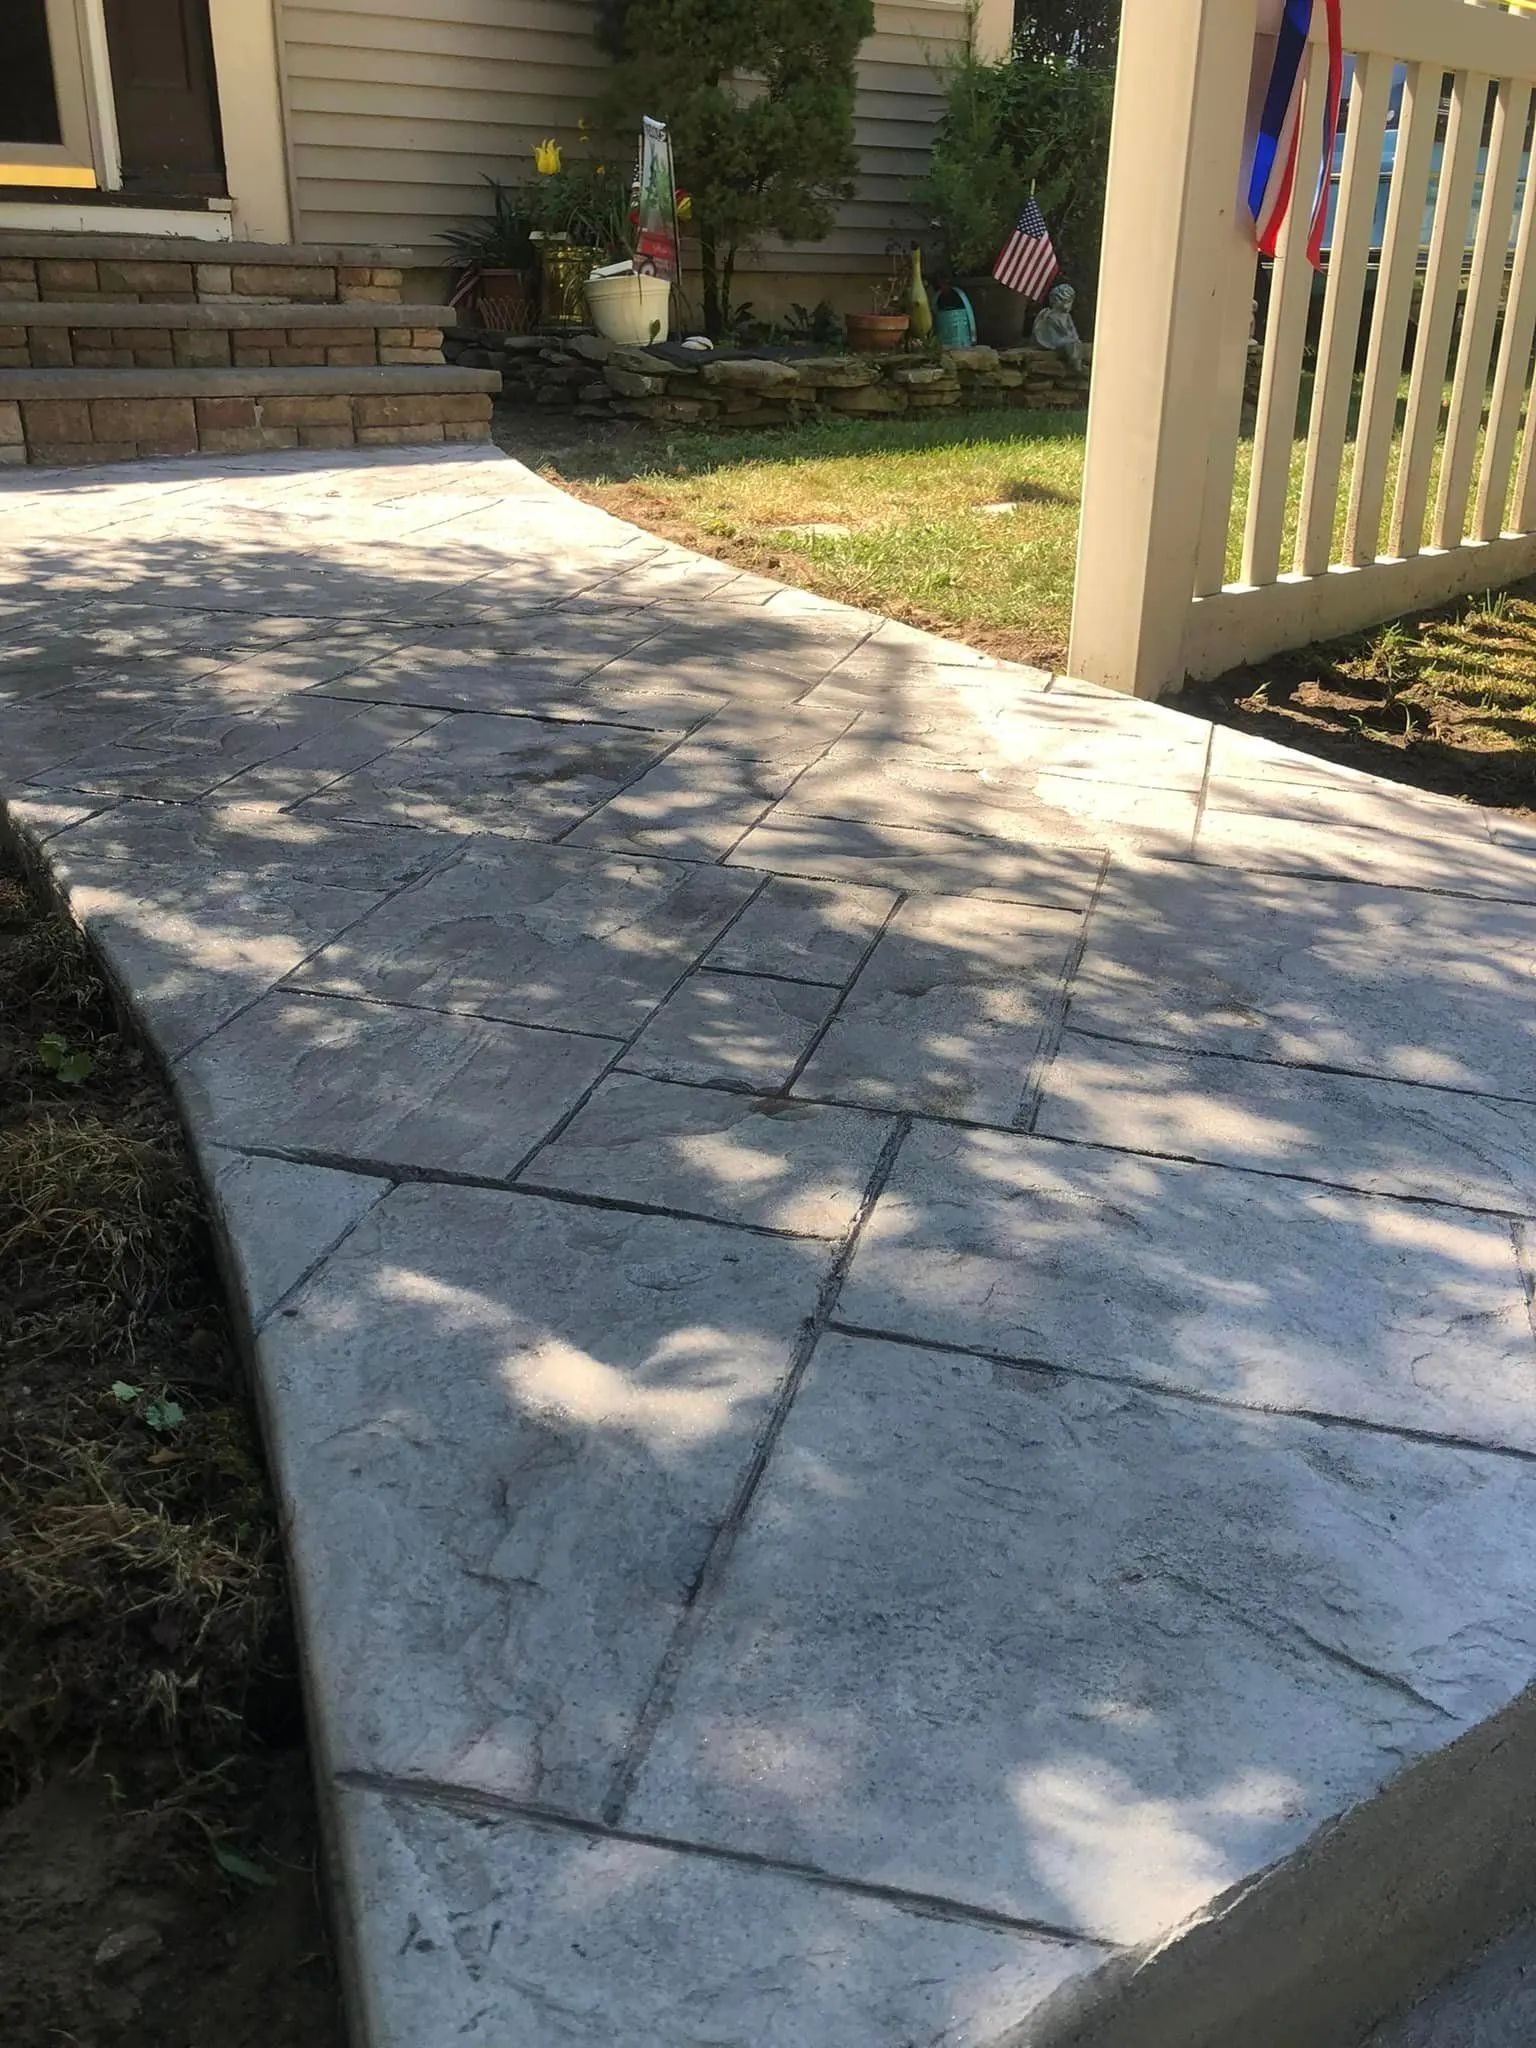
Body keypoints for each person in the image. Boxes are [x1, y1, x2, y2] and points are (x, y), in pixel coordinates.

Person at [1033, 281, 1083, 371]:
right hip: (1053, 339)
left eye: (1070, 301)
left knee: (1075, 343)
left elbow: (1072, 330)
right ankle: (1075, 365)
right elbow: (1043, 330)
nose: (1068, 305)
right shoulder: (1048, 314)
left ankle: (1076, 364)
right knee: (1070, 344)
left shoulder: (1067, 316)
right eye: (1066, 301)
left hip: (1065, 338)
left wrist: (1074, 337)